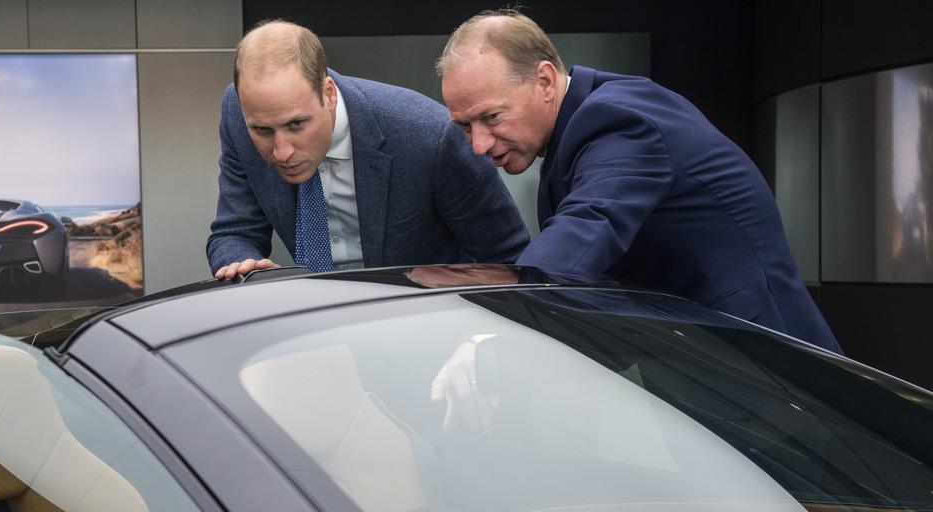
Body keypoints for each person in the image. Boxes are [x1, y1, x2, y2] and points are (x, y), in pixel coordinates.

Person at [437, 10, 841, 352]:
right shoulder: (580, 131)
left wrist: (489, 336)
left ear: (544, 81)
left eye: (492, 117)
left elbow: (586, 228)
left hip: (770, 365)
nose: (479, 145)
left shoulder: (617, 119)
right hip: (710, 359)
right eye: (465, 126)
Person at [207, 20, 529, 281]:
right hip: (312, 326)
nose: (282, 151)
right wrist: (250, 274)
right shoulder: (238, 114)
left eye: (296, 124)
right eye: (263, 131)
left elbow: (509, 260)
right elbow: (233, 233)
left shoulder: (430, 138)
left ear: (328, 93)